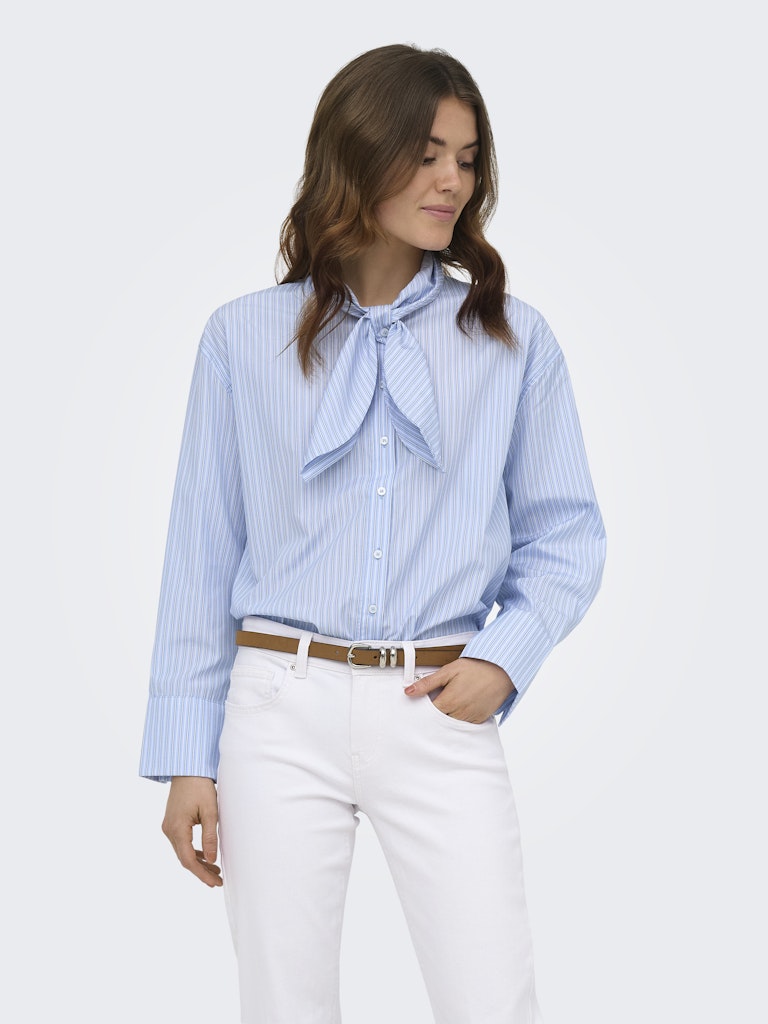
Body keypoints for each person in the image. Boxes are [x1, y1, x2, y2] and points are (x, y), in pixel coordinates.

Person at [140, 42, 606, 1024]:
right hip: (277, 705)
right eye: (425, 154)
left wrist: (505, 658)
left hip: (437, 705)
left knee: (492, 999)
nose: (452, 181)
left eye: (467, 159)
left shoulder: (514, 340)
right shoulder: (241, 338)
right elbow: (200, 555)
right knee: (283, 1004)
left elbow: (566, 535)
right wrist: (188, 755)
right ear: (356, 155)